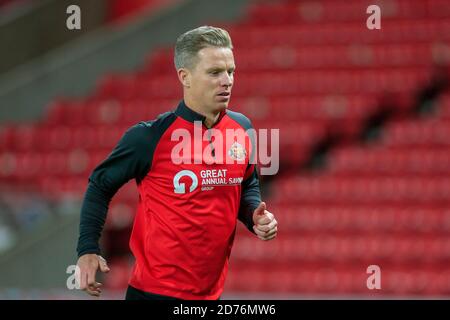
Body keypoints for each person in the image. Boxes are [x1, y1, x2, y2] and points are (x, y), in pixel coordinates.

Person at [76, 26, 278, 300]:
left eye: (231, 71)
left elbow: (246, 183)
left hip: (210, 296)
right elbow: (100, 186)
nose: (227, 81)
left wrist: (254, 215)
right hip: (154, 294)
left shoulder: (243, 128)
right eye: (215, 72)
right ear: (185, 77)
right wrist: (88, 249)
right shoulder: (149, 137)